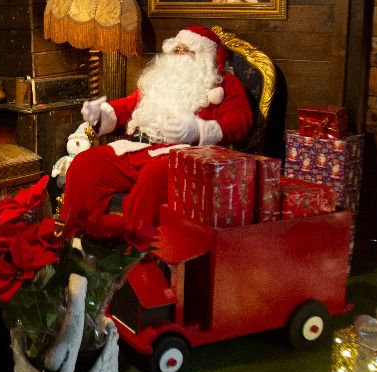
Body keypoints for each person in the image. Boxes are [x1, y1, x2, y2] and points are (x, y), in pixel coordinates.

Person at [60, 26, 253, 232]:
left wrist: (198, 130)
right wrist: (102, 114)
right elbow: (129, 105)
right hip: (142, 151)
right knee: (86, 163)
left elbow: (240, 122)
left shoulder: (226, 85)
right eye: (176, 50)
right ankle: (79, 236)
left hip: (189, 159)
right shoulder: (161, 81)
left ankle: (138, 246)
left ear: (205, 57)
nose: (179, 56)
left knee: (154, 175)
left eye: (187, 50)